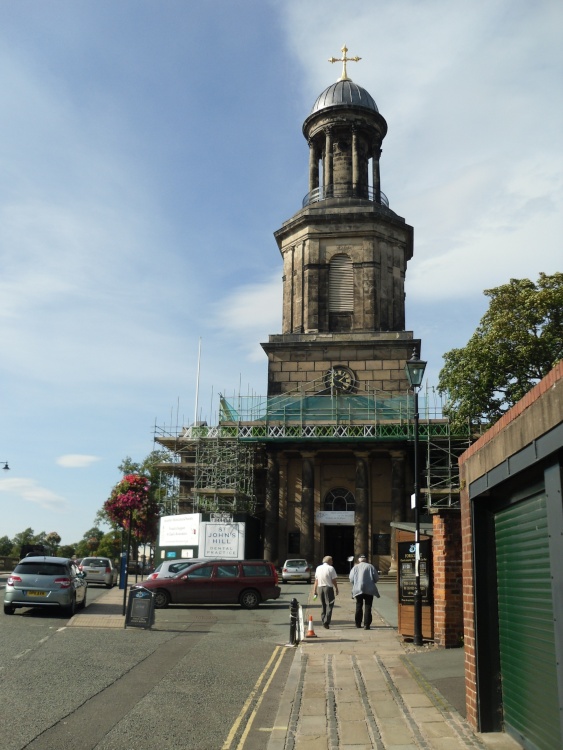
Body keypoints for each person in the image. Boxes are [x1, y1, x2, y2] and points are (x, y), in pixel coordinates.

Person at [349, 554, 380, 630]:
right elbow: (376, 578)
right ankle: (367, 624)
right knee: (368, 606)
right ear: (365, 560)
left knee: (359, 605)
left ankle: (358, 623)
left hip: (358, 589)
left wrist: (356, 583)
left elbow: (351, 579)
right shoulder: (370, 566)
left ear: (359, 560)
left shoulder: (355, 567)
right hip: (369, 589)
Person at [313, 555, 339, 629]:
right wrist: (336, 588)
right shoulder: (331, 568)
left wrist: (314, 590)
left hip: (320, 587)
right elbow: (333, 580)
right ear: (329, 561)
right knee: (330, 604)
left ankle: (323, 619)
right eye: (331, 560)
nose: (332, 562)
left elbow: (316, 580)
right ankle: (326, 621)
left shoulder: (318, 568)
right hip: (328, 588)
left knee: (323, 604)